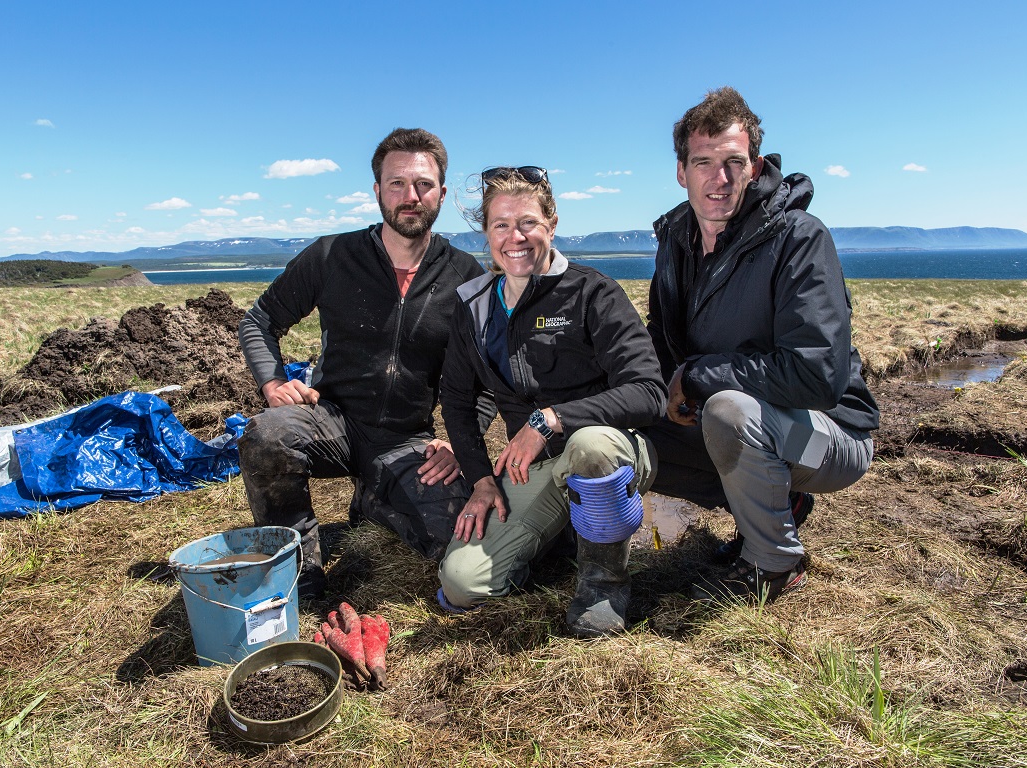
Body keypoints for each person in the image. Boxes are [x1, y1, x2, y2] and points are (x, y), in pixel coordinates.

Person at [645, 87, 881, 606]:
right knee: (627, 419)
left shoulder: (798, 238)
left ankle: (774, 562)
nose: (719, 178)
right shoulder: (675, 243)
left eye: (734, 161)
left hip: (831, 440)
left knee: (730, 410)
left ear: (754, 166)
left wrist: (702, 376)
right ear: (681, 171)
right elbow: (662, 350)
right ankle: (777, 505)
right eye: (703, 162)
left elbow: (817, 376)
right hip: (748, 426)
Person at [237, 127, 493, 599]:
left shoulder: (465, 277)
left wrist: (459, 443)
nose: (410, 196)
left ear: (441, 192)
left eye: (423, 184)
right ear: (377, 190)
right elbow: (259, 321)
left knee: (456, 546)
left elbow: (489, 374)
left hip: (407, 438)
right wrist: (273, 382)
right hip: (330, 422)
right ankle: (300, 574)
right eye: (396, 184)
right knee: (267, 436)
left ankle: (376, 498)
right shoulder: (332, 255)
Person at [436, 166, 667, 637]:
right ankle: (561, 537)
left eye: (527, 223)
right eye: (500, 224)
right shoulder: (475, 306)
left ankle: (604, 584)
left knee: (591, 446)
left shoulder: (593, 293)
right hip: (537, 469)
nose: (514, 237)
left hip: (612, 450)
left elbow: (649, 391)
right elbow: (457, 400)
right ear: (486, 232)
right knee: (462, 585)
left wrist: (552, 419)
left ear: (552, 224)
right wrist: (481, 480)